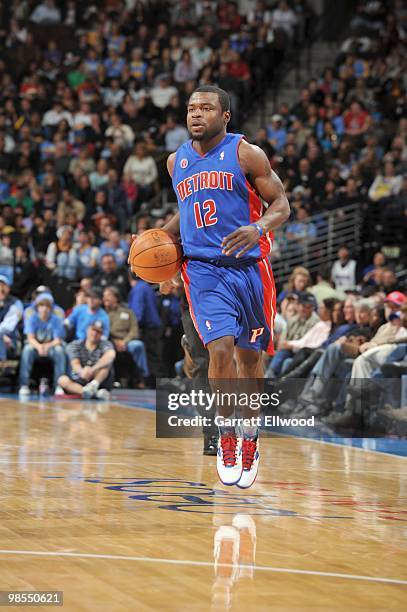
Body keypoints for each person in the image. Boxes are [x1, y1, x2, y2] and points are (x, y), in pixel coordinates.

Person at [129, 86, 290, 488]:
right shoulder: (175, 161)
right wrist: (151, 245)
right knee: (218, 349)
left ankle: (251, 436)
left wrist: (258, 228)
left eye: (206, 108)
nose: (196, 114)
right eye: (191, 108)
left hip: (250, 268)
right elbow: (187, 211)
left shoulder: (246, 154)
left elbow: (282, 205)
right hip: (202, 271)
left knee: (250, 361)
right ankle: (226, 435)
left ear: (226, 115)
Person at [18, 293, 66, 398]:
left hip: (51, 347)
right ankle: (24, 384)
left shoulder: (56, 320)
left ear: (51, 308)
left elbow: (58, 340)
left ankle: (59, 385)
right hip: (36, 347)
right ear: (37, 307)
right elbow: (30, 338)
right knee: (27, 350)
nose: (44, 308)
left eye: (47, 306)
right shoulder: (32, 319)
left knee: (59, 350)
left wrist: (47, 346)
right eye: (41, 305)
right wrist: (39, 347)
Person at [58, 320, 115, 400]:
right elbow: (75, 363)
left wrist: (92, 369)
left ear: (102, 334)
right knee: (62, 380)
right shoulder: (75, 344)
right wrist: (82, 372)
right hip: (80, 378)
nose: (95, 334)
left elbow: (110, 355)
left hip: (98, 380)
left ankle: (93, 385)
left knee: (106, 365)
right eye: (93, 330)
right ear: (87, 330)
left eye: (98, 332)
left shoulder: (105, 344)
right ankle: (91, 393)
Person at [103, 286, 149, 385]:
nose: (105, 298)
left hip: (127, 341)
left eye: (108, 296)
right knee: (107, 347)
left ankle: (141, 377)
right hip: (111, 341)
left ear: (116, 298)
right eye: (104, 296)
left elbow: (134, 330)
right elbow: (105, 332)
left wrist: (124, 341)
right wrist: (115, 342)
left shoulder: (128, 312)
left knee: (138, 345)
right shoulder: (103, 314)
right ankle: (111, 378)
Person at [0, 274, 23, 361]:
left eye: (3, 286)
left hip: (12, 341)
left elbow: (8, 327)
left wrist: (3, 336)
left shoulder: (16, 303)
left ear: (9, 288)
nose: (1, 288)